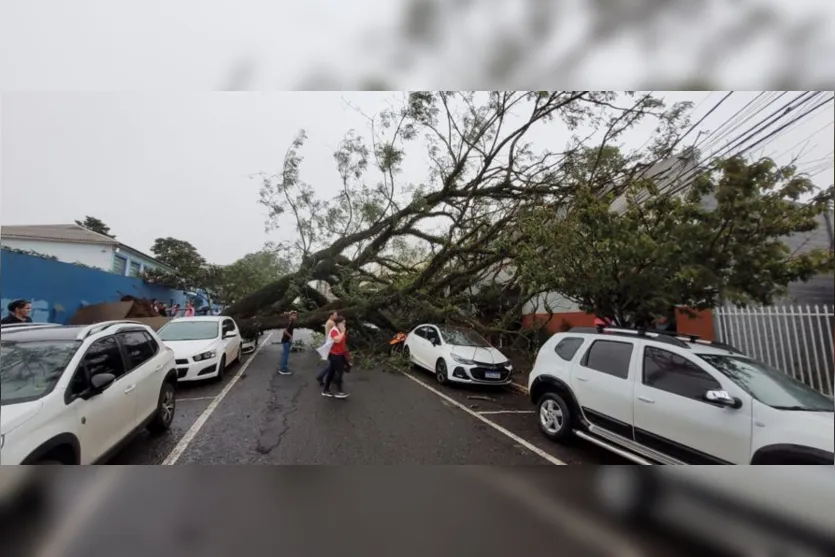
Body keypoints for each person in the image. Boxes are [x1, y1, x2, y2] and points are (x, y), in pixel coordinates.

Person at [322, 316, 349, 399]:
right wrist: (343, 331)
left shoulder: (339, 330)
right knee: (340, 371)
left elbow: (342, 342)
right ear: (338, 323)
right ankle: (339, 391)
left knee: (332, 372)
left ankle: (325, 390)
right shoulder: (334, 330)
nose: (344, 324)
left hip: (340, 354)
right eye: (343, 323)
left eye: (345, 323)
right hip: (334, 355)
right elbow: (337, 340)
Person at [316, 311, 339, 386]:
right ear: (331, 316)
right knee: (332, 363)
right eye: (335, 315)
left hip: (329, 343)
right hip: (331, 344)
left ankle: (333, 378)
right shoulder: (331, 323)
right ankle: (321, 376)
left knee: (333, 363)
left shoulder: (328, 322)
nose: (336, 316)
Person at [278, 311, 298, 376]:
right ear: (291, 316)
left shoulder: (291, 321)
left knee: (286, 355)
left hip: (287, 340)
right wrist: (290, 336)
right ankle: (283, 369)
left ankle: (285, 367)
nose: (295, 317)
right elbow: (285, 331)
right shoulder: (289, 322)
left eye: (296, 316)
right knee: (285, 355)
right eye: (294, 315)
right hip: (286, 340)